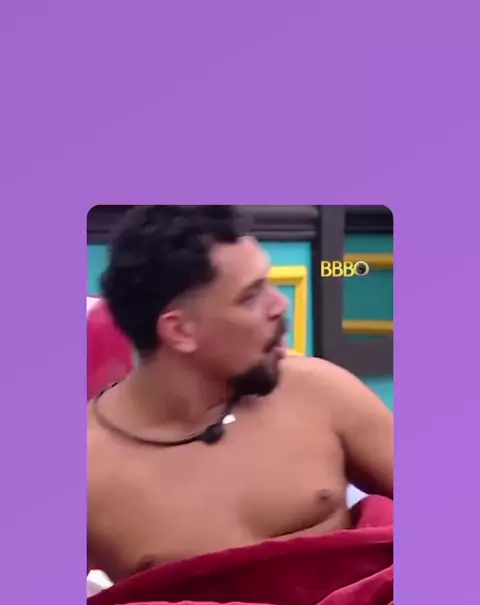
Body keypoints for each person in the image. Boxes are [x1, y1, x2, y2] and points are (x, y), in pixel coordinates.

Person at [88, 205, 393, 583]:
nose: (279, 304)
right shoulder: (87, 467)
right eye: (251, 296)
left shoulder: (319, 391)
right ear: (180, 331)